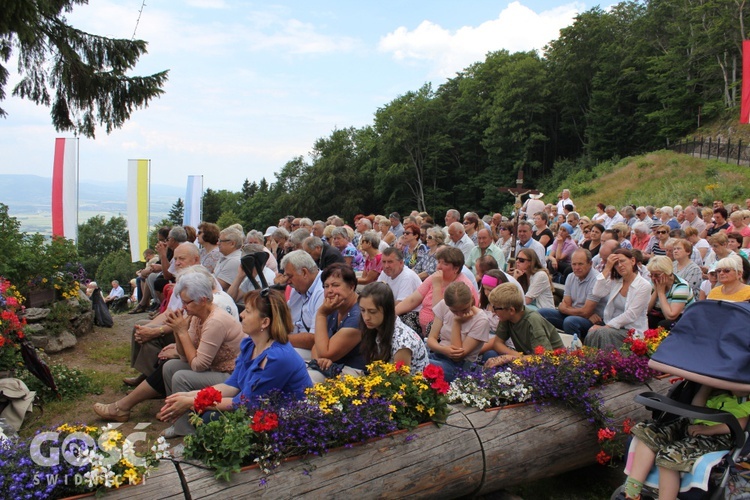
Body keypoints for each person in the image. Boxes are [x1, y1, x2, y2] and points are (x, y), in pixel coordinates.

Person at [93, 271, 243, 424]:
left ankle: (183, 427)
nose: (183, 307)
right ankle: (173, 414)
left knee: (181, 376)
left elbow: (198, 366)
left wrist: (181, 332)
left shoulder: (215, 321)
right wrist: (178, 332)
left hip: (229, 375)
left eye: (187, 302)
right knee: (170, 366)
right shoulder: (198, 316)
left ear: (203, 300)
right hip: (214, 367)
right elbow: (185, 356)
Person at [159, 289, 312, 434]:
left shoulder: (278, 357)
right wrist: (188, 396)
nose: (242, 315)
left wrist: (192, 401)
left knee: (210, 418)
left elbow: (244, 403)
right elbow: (231, 385)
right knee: (207, 414)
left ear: (265, 322)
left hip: (289, 421)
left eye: (248, 311)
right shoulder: (250, 345)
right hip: (260, 412)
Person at [622, 384, 750, 500]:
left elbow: (740, 424)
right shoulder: (720, 396)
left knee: (670, 455)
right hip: (692, 425)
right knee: (648, 433)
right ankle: (632, 492)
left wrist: (708, 430)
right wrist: (707, 385)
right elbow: (697, 407)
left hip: (717, 435)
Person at [395, 247, 479, 334]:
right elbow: (413, 300)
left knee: (432, 326)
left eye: (445, 264)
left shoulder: (462, 286)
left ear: (456, 269)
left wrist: (437, 286)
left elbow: (440, 314)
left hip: (445, 329)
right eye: (438, 262)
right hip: (422, 323)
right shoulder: (434, 277)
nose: (439, 267)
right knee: (400, 319)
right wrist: (392, 314)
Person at [483, 283, 564, 368]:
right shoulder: (506, 317)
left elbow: (544, 358)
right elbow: (497, 344)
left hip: (553, 365)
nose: (493, 311)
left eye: (495, 308)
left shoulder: (532, 321)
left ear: (511, 310)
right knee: (490, 355)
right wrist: (516, 357)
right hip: (528, 358)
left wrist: (511, 358)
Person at [308, 263, 365, 383]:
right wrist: (319, 360)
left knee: (305, 380)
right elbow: (316, 345)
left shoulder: (359, 314)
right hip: (331, 366)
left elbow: (326, 353)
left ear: (351, 287)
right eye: (326, 286)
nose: (329, 291)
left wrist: (321, 314)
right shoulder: (335, 306)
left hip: (354, 372)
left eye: (335, 285)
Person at [584, 249, 651, 351]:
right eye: (616, 264)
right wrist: (607, 268)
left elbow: (631, 314)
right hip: (613, 326)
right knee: (591, 332)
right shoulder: (616, 281)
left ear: (632, 261)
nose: (619, 265)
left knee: (602, 333)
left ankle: (602, 362)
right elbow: (597, 292)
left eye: (622, 261)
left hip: (631, 331)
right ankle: (589, 360)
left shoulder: (644, 285)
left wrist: (606, 327)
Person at [426, 281, 489, 382]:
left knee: (422, 365)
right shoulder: (444, 305)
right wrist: (443, 349)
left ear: (472, 299)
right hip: (439, 354)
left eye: (464, 309)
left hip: (459, 366)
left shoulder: (481, 320)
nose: (459, 314)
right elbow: (431, 339)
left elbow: (457, 356)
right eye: (454, 311)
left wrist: (457, 323)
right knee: (413, 359)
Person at [358, 282, 429, 373]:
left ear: (387, 310)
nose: (366, 317)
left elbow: (399, 382)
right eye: (362, 310)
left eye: (372, 312)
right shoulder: (375, 328)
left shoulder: (402, 342)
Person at [538, 249, 606, 339]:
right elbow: (564, 305)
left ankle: (575, 351)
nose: (576, 267)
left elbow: (586, 311)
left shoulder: (596, 279)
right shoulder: (571, 276)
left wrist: (567, 309)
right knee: (541, 313)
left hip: (593, 321)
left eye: (580, 264)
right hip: (580, 316)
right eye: (574, 264)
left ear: (590, 264)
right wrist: (568, 309)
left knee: (570, 322)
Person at [377, 247, 423, 336]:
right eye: (384, 262)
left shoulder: (407, 276)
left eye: (390, 262)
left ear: (401, 263)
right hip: (393, 310)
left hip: (412, 314)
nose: (386, 266)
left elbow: (400, 304)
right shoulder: (385, 273)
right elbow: (376, 293)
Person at [646, 256, 694, 329]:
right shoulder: (655, 282)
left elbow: (671, 316)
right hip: (660, 314)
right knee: (646, 319)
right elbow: (646, 310)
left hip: (682, 318)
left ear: (667, 273)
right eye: (651, 275)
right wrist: (656, 290)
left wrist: (661, 292)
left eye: (657, 275)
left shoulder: (681, 286)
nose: (653, 278)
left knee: (664, 324)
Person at [213, 227, 243, 291]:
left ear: (232, 244)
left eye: (220, 241)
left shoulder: (233, 261)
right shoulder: (226, 257)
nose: (217, 243)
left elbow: (216, 287)